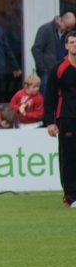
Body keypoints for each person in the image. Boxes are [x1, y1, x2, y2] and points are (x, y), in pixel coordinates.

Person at [43, 31, 76, 208]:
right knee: (68, 158)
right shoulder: (59, 69)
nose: (74, 45)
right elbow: (49, 97)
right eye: (71, 42)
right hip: (67, 117)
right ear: (66, 46)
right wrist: (50, 122)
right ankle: (70, 197)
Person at [32, 12, 76, 96]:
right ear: (61, 21)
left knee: (62, 95)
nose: (69, 30)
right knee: (47, 95)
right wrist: (42, 68)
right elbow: (36, 49)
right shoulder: (46, 29)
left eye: (71, 27)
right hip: (47, 70)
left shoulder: (68, 34)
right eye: (68, 27)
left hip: (63, 69)